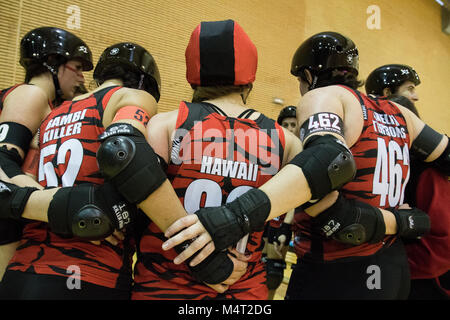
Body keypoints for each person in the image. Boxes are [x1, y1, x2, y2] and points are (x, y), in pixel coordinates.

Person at [162, 31, 449, 300]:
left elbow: (331, 168)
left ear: (309, 75)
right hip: (393, 267)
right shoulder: (398, 112)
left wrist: (232, 217)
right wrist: (405, 221)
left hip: (338, 269)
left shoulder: (324, 96)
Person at [130, 19, 303, 300]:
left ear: (192, 72)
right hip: (245, 291)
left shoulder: (166, 125)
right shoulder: (286, 140)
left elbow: (137, 206)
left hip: (165, 288)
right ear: (250, 78)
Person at [0, 42, 164, 299]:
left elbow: (23, 179)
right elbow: (124, 153)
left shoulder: (50, 115)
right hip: (93, 272)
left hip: (23, 269)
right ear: (144, 82)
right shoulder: (130, 97)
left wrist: (64, 206)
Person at [0, 26, 92, 281]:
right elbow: (2, 160)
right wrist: (63, 205)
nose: (83, 78)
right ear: (53, 62)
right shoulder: (32, 93)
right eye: (78, 67)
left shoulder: (50, 105)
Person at [387, 95, 449, 299]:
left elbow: (443, 243)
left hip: (425, 280)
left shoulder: (426, 171)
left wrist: (398, 266)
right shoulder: (381, 166)